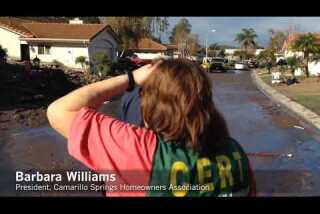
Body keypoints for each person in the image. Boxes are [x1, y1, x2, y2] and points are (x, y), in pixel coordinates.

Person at [47, 59, 256, 197]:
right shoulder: (235, 152)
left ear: (151, 106)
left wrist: (131, 78)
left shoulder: (140, 150)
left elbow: (59, 111)